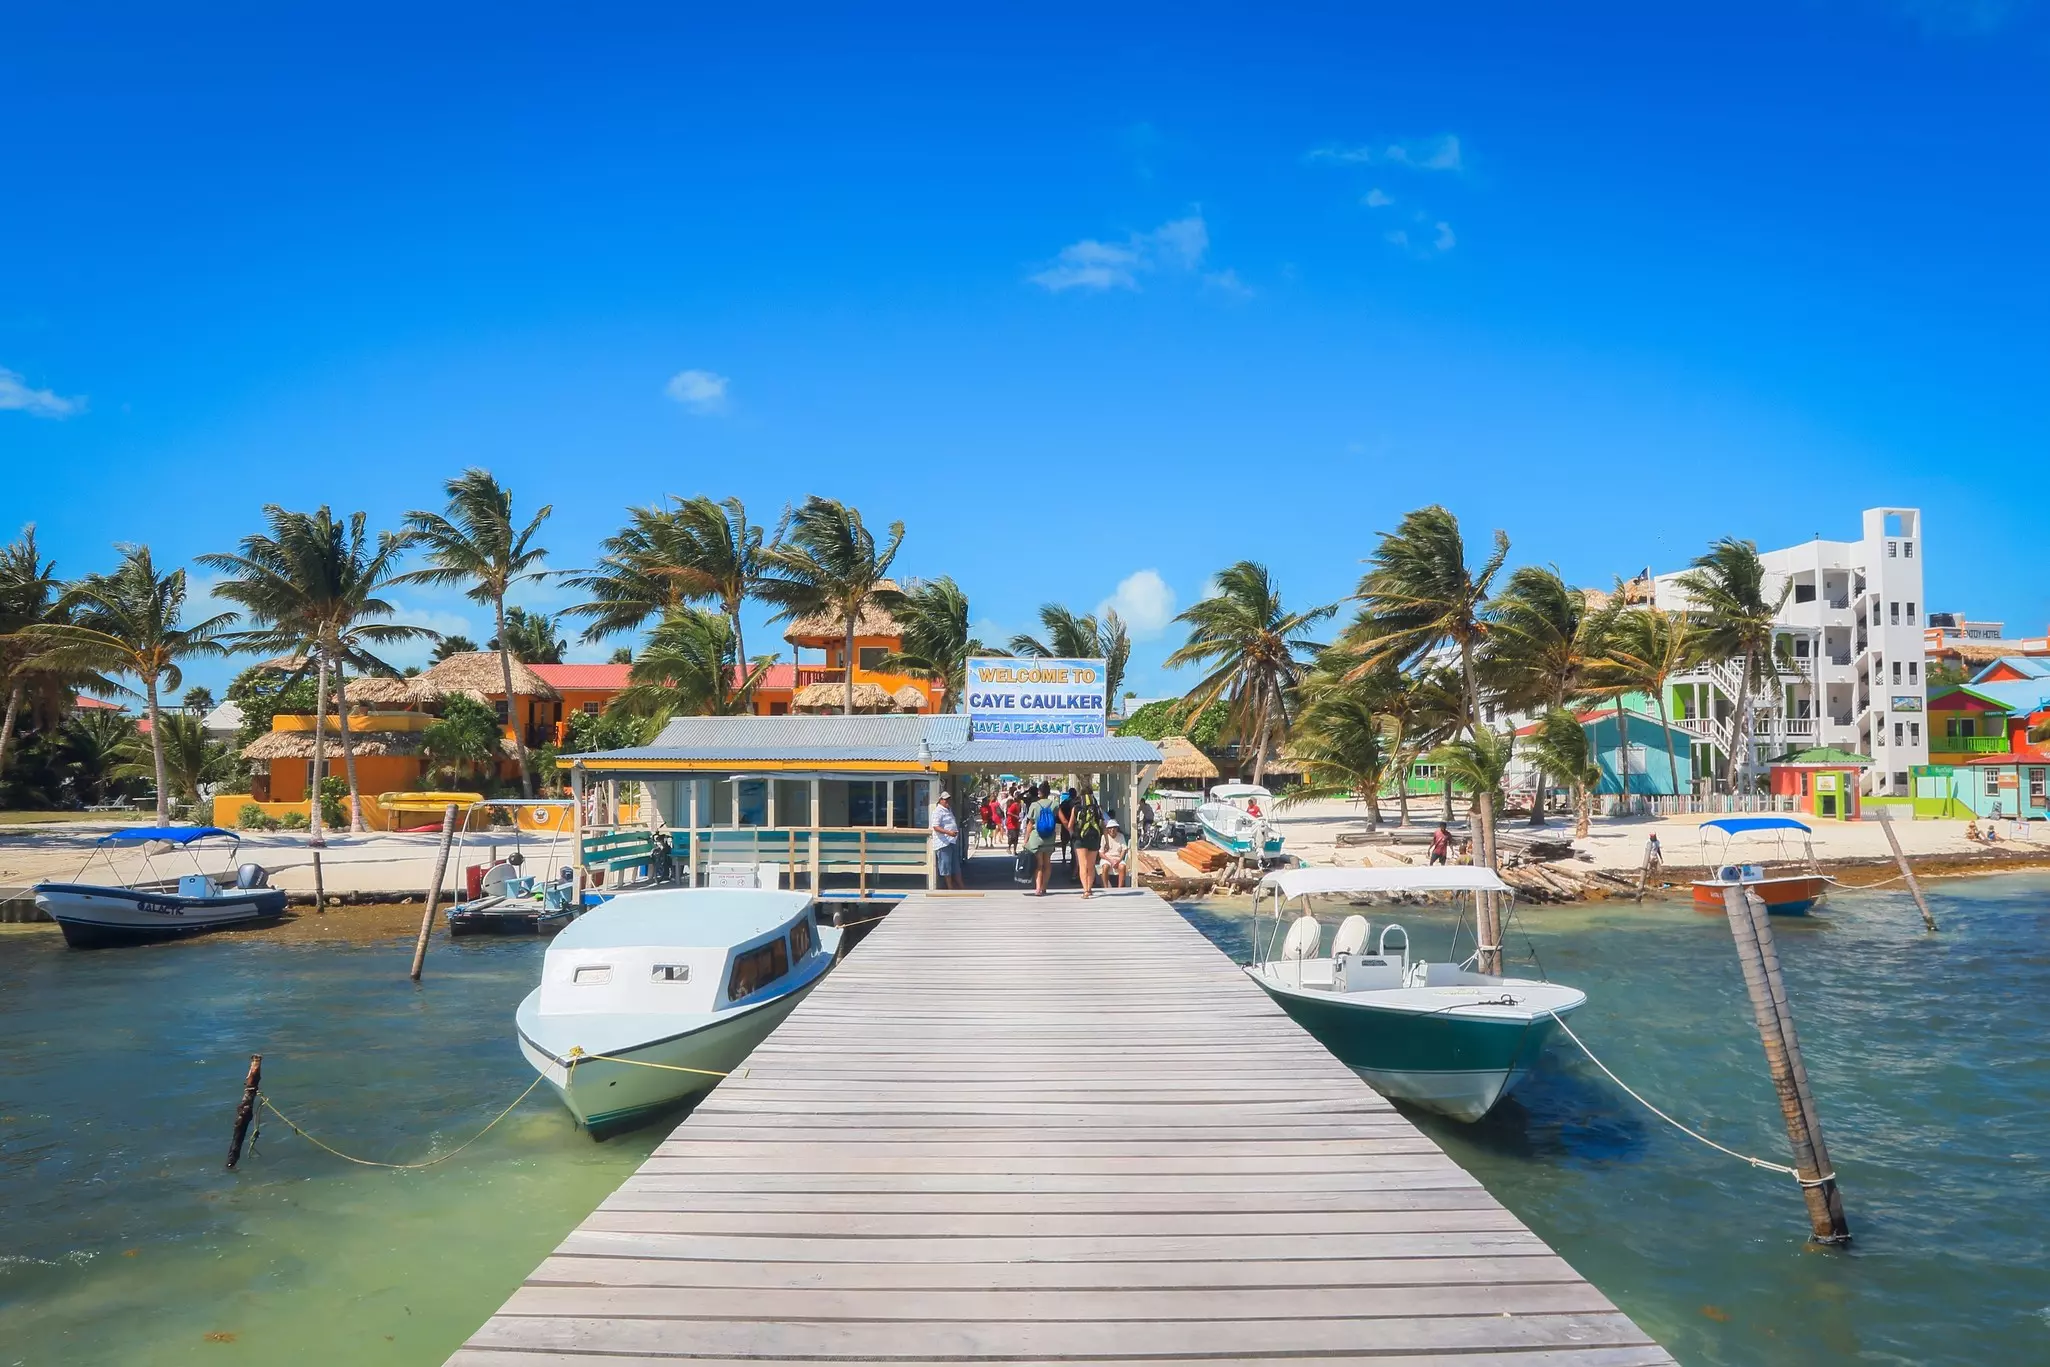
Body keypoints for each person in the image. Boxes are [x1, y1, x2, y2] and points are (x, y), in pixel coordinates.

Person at [1068, 782, 1106, 898]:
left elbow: (1070, 825)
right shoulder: (1097, 808)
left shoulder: (1076, 808)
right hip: (1094, 838)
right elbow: (1103, 825)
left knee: (1083, 865)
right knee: (1091, 865)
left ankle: (1085, 890)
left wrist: (1073, 835)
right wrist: (1107, 842)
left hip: (1080, 839)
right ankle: (1089, 888)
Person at [930, 789, 965, 890]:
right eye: (945, 800)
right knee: (946, 866)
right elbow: (936, 826)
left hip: (952, 841)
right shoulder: (937, 811)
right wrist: (948, 832)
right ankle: (950, 887)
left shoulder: (948, 809)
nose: (947, 801)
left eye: (948, 799)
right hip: (943, 843)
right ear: (940, 800)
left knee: (955, 866)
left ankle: (961, 886)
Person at [1099, 816, 1128, 885]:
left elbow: (1124, 850)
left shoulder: (1121, 836)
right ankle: (1106, 887)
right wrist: (1110, 860)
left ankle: (1120, 888)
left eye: (1114, 827)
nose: (1112, 830)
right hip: (1107, 858)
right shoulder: (1104, 837)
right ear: (1107, 829)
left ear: (1117, 828)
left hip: (1118, 858)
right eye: (1110, 828)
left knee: (1122, 867)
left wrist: (1119, 860)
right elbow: (1101, 853)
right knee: (1105, 866)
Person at [1004, 789, 1024, 854]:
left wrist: (1020, 819)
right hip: (1011, 824)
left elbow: (1020, 813)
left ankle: (1014, 851)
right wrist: (1016, 816)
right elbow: (1009, 812)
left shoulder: (1019, 805)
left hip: (1016, 824)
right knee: (1012, 837)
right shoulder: (1014, 805)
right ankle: (1009, 847)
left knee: (1016, 838)